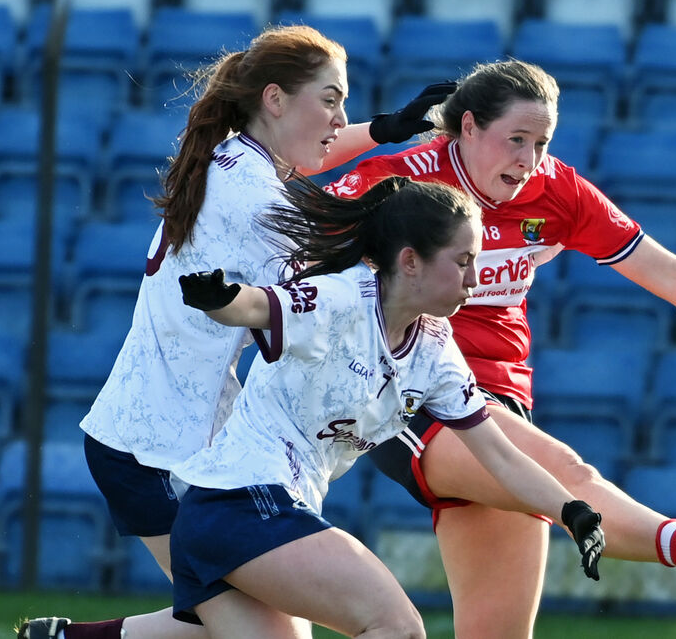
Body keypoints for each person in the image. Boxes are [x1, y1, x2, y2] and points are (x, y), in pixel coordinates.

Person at [323, 59, 676, 638]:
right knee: (565, 472)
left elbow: (664, 271)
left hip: (500, 396)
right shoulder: (400, 182)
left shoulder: (556, 190)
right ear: (467, 127)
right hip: (409, 390)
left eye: (541, 143)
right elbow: (289, 212)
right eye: (516, 139)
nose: (529, 159)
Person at [18, 25, 454, 639]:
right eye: (330, 100)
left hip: (171, 436)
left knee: (248, 627)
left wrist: (382, 131)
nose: (340, 118)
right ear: (274, 99)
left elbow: (309, 156)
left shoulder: (233, 157)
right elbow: (328, 314)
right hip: (158, 450)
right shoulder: (260, 204)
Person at [166, 175, 605, 636]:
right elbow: (257, 306)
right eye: (463, 262)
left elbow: (499, 456)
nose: (475, 280)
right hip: (241, 501)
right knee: (399, 627)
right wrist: (220, 300)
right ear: (410, 261)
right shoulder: (342, 298)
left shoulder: (435, 349)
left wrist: (571, 510)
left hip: (233, 519)